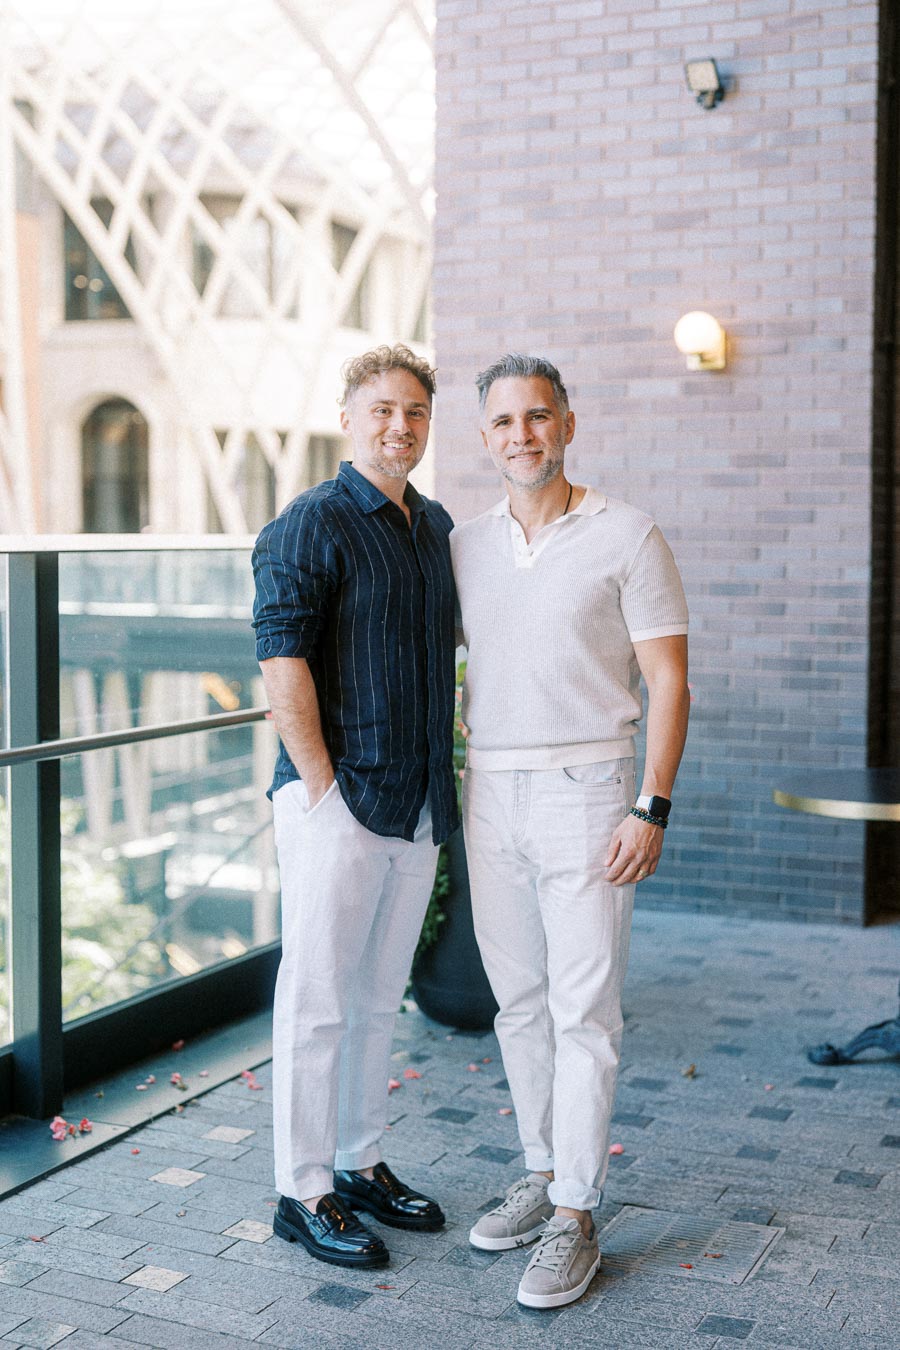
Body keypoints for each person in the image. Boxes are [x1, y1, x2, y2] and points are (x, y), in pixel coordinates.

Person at [451, 353, 690, 1309]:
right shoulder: (464, 544)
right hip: (490, 790)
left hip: (591, 788)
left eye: (538, 418)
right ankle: (545, 1172)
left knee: (583, 1011)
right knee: (517, 1001)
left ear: (568, 424)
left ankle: (577, 1214)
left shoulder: (628, 534)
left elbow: (668, 679)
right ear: (486, 438)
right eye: (504, 422)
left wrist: (651, 802)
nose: (523, 436)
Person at [252, 344, 458, 1269]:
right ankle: (303, 1189)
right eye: (381, 409)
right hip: (337, 802)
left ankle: (358, 1159)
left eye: (414, 411)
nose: (399, 426)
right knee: (317, 1002)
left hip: (415, 802)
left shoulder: (436, 525)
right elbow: (282, 665)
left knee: (378, 999)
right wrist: (324, 794)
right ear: (348, 415)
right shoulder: (310, 524)